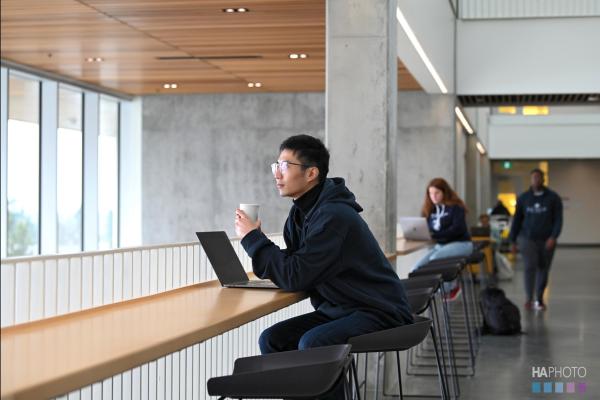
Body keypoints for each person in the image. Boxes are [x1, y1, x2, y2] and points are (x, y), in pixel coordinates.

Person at [234, 135, 413, 398]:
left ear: (311, 173)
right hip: (341, 308)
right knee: (272, 339)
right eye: (276, 166)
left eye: (285, 166)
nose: (277, 174)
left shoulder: (333, 216)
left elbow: (296, 275)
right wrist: (259, 244)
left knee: (315, 342)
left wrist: (253, 239)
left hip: (377, 309)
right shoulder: (300, 214)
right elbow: (297, 266)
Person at [509, 168, 563, 311]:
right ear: (530, 180)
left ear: (543, 179)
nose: (536, 180)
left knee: (543, 268)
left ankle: (539, 298)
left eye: (538, 177)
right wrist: (512, 240)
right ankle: (529, 298)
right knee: (529, 266)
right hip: (527, 238)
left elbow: (558, 219)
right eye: (533, 178)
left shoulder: (553, 198)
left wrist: (553, 236)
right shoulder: (524, 198)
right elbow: (517, 220)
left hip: (546, 239)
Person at [412, 178, 473, 299]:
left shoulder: (456, 208)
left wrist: (434, 235)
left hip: (462, 244)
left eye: (437, 193)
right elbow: (427, 229)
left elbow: (457, 230)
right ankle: (426, 294)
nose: (433, 196)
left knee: (435, 259)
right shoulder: (430, 210)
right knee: (415, 269)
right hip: (440, 246)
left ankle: (451, 287)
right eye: (430, 193)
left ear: (445, 192)